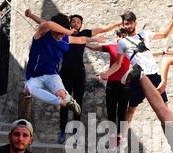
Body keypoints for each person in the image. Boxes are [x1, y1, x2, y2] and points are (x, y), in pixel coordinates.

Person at [26, 10, 121, 144]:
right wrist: (31, 15)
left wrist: (113, 27)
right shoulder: (57, 34)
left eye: (78, 22)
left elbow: (92, 34)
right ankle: (62, 130)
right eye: (73, 21)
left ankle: (76, 129)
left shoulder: (76, 35)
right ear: (68, 25)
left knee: (76, 99)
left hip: (76, 72)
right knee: (59, 98)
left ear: (81, 25)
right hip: (64, 71)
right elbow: (46, 24)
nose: (76, 23)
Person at [100, 11, 173, 153]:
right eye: (125, 23)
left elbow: (164, 35)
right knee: (131, 110)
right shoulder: (122, 43)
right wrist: (107, 73)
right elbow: (117, 64)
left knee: (165, 109)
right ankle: (121, 140)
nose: (127, 25)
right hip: (139, 77)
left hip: (154, 75)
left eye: (129, 23)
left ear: (135, 23)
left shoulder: (145, 35)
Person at [23, 11, 103, 118]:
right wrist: (68, 31)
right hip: (34, 76)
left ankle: (69, 100)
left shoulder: (65, 39)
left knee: (61, 94)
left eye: (62, 34)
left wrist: (94, 39)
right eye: (58, 33)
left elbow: (81, 39)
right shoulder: (41, 35)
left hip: (52, 75)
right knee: (28, 89)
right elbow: (48, 24)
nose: (61, 36)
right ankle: (62, 102)